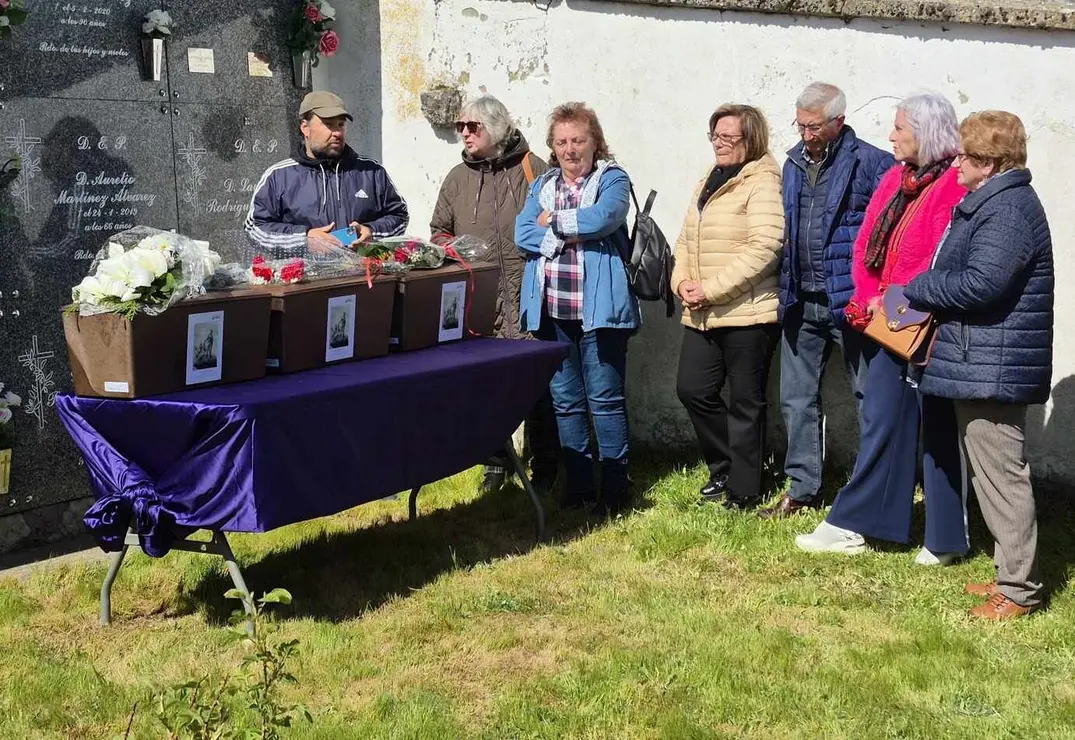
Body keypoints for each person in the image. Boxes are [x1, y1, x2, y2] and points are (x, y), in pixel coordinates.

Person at [795, 92, 969, 562]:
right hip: (885, 320)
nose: (890, 136)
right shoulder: (895, 178)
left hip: (924, 322)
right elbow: (868, 242)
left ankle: (943, 537)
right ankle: (868, 522)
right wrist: (866, 299)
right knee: (884, 418)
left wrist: (892, 300)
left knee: (931, 426)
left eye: (900, 129)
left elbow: (937, 257)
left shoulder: (953, 184)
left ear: (926, 133)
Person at [905, 111, 1053, 619]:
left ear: (989, 163)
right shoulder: (995, 202)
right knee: (994, 475)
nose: (956, 164)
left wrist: (919, 288)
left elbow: (982, 285)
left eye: (965, 156)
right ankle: (1009, 577)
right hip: (984, 358)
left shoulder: (1007, 210)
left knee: (1002, 476)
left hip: (993, 364)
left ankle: (1018, 591)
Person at [763, 83, 894, 519]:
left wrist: (874, 291)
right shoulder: (793, 163)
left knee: (868, 398)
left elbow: (889, 233)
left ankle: (873, 489)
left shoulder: (873, 163)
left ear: (839, 120)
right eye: (800, 124)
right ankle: (803, 488)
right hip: (802, 299)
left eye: (814, 126)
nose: (805, 134)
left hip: (850, 303)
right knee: (796, 399)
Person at [429, 94, 560, 496]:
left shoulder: (533, 169)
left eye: (474, 127)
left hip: (529, 295)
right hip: (479, 299)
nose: (465, 134)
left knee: (538, 384)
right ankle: (495, 463)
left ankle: (547, 464)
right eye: (460, 127)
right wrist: (451, 248)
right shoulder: (457, 178)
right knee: (490, 386)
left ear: (498, 129)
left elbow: (552, 223)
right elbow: (438, 230)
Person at [514, 102, 640, 515]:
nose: (570, 150)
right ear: (553, 147)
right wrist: (564, 229)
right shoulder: (543, 184)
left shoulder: (612, 179)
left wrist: (552, 224)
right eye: (562, 142)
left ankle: (616, 489)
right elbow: (521, 234)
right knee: (565, 401)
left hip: (599, 311)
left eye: (578, 141)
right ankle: (580, 487)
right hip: (552, 310)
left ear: (595, 143)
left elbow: (604, 218)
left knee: (604, 399)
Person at [671, 104, 784, 510]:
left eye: (727, 138)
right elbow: (686, 238)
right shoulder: (710, 177)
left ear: (750, 140)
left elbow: (766, 247)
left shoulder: (763, 181)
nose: (718, 144)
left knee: (745, 402)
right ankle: (726, 467)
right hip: (702, 310)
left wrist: (711, 290)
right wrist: (680, 281)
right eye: (714, 136)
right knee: (693, 389)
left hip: (748, 312)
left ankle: (745, 488)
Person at [245, 91, 408, 256]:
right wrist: (304, 238)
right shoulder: (279, 176)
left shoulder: (371, 172)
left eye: (341, 125)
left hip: (364, 276)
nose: (337, 133)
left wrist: (372, 232)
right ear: (305, 128)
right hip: (306, 279)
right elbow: (255, 228)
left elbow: (399, 216)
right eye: (328, 124)